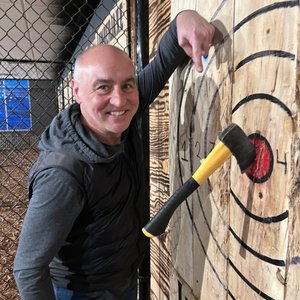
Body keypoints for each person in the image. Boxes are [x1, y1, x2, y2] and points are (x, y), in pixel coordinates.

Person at [13, 9, 215, 300]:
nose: (119, 100)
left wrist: (183, 19)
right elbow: (28, 269)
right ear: (77, 91)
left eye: (127, 84)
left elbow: (160, 65)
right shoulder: (63, 173)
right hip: (82, 292)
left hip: (120, 279)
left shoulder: (120, 115)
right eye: (103, 87)